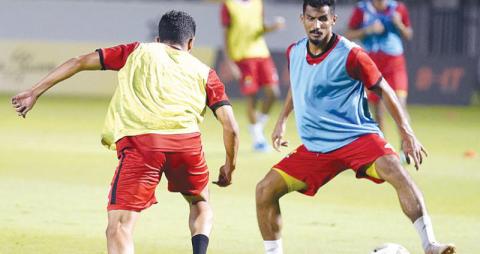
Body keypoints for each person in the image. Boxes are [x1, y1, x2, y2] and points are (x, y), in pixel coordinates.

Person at [12, 10, 239, 254]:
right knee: (201, 203)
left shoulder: (137, 51)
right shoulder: (205, 72)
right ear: (191, 42)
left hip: (143, 146)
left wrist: (35, 91)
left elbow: (79, 61)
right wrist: (229, 166)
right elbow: (231, 127)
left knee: (119, 227)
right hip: (187, 145)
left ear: (158, 39)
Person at [255, 1, 455, 254]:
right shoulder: (294, 51)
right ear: (302, 19)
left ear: (333, 20)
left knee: (396, 171)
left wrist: (407, 132)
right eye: (311, 18)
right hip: (316, 147)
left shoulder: (351, 53)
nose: (316, 25)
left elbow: (384, 89)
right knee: (264, 190)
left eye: (323, 19)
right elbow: (297, 85)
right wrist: (282, 120)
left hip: (356, 138)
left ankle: (430, 244)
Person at [345, 0, 413, 151]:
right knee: (379, 111)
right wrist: (367, 30)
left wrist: (399, 24)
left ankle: (406, 148)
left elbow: (409, 34)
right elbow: (348, 34)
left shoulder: (398, 8)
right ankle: (383, 151)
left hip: (394, 63)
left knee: (400, 106)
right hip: (373, 63)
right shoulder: (362, 9)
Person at [221, 0, 285, 152]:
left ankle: (257, 127)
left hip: (262, 53)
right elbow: (225, 35)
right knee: (252, 96)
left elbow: (260, 27)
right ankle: (258, 139)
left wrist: (272, 27)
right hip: (242, 57)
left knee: (273, 93)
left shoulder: (258, 3)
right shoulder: (229, 5)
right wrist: (229, 62)